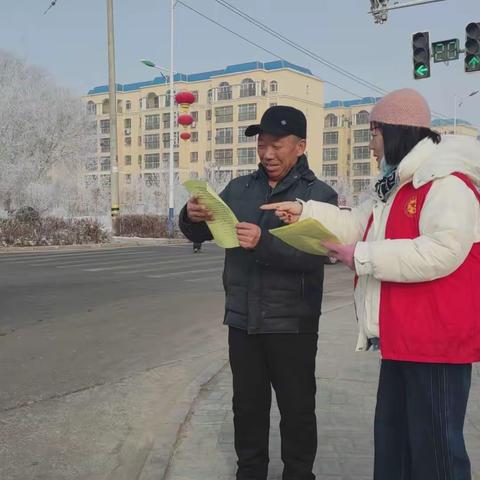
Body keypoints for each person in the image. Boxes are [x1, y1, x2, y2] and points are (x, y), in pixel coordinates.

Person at [262, 89, 480, 480]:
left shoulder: (446, 184)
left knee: (436, 452)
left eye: (374, 134)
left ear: (396, 132)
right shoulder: (395, 187)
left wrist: (363, 257)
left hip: (437, 343)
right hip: (402, 337)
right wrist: (305, 210)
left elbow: (442, 250)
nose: (370, 145)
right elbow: (356, 223)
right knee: (395, 445)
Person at [179, 105, 337, 480]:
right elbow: (200, 233)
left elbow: (322, 252)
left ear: (300, 146)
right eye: (262, 145)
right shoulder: (239, 189)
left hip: (293, 323)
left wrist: (263, 243)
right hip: (243, 320)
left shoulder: (319, 197)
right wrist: (191, 216)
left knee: (297, 411)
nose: (267, 154)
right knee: (247, 409)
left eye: (276, 145)